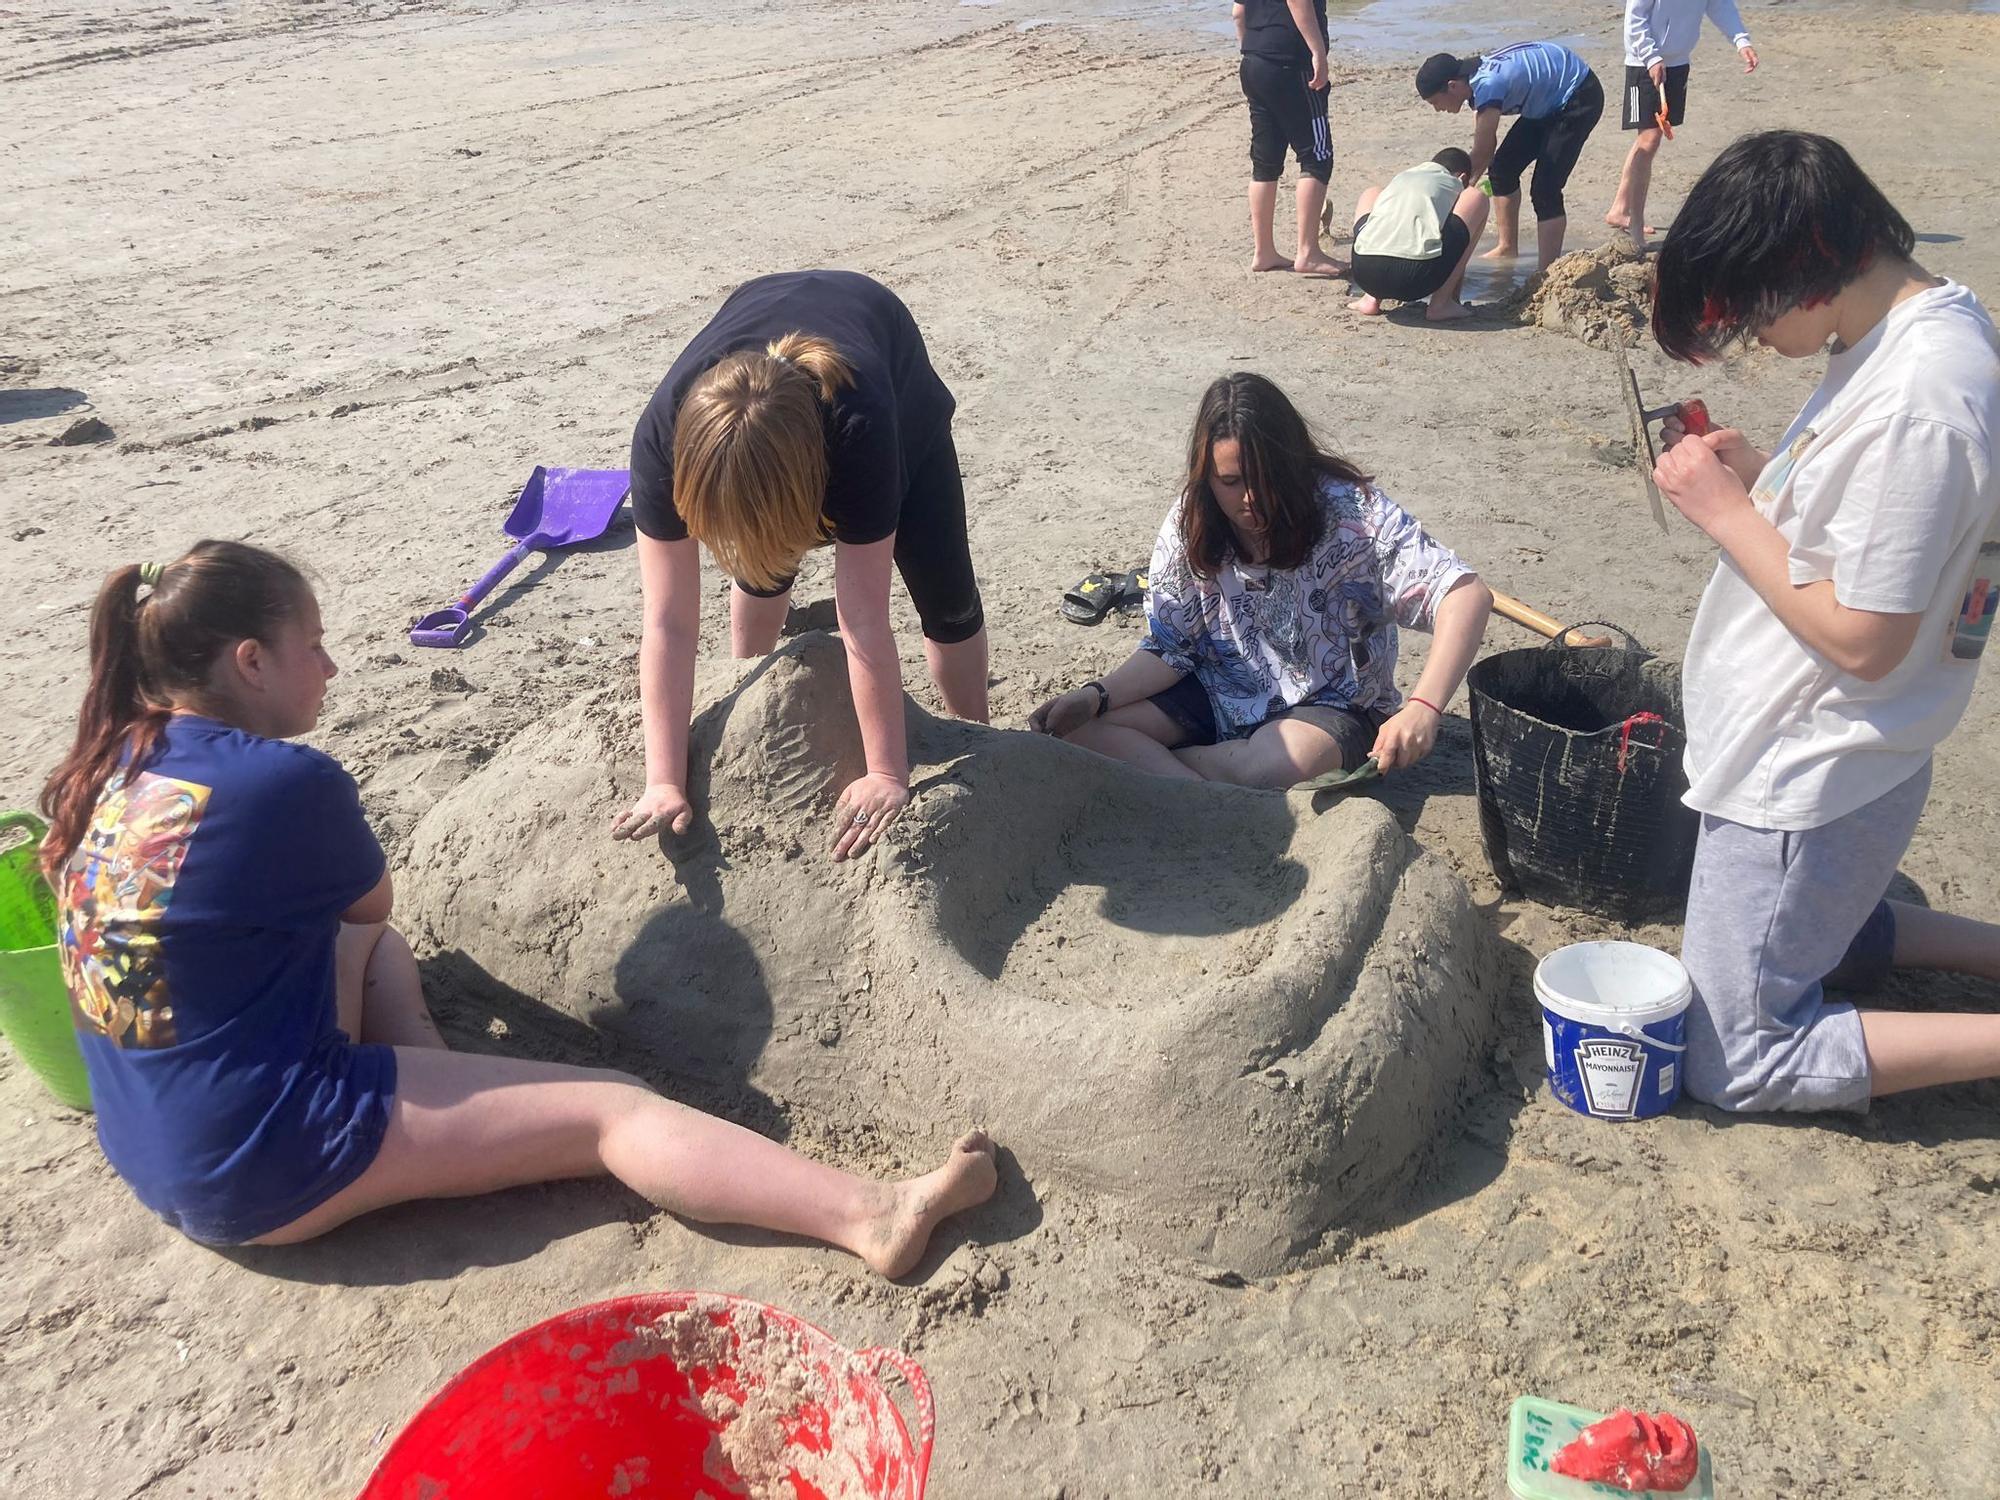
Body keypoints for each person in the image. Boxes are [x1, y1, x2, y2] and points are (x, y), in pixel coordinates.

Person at [41, 542, 998, 1263]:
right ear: (250, 662)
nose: (329, 669)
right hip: (259, 1161)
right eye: (314, 646)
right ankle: (872, 1215)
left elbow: (351, 935)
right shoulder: (284, 783)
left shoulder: (103, 760)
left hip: (147, 1139)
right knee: (613, 1111)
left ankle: (436, 1101)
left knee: (380, 954)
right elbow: (368, 905)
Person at [1649, 131, 2000, 1112]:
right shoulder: (1913, 328)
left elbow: (1865, 639)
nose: (1751, 340)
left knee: (1734, 1060)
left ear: (1801, 272)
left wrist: (1720, 513)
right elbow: (1881, 539)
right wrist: (1765, 482)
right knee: (1813, 927)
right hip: (1829, 755)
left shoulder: (1919, 401)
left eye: (1743, 316)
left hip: (1809, 767)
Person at [611, 271, 987, 862]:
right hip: (767, 373)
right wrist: (663, 780)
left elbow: (862, 617)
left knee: (946, 598)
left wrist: (886, 771)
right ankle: (752, 676)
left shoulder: (861, 433)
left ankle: (979, 732)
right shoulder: (662, 442)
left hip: (888, 369)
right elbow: (667, 624)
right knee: (761, 577)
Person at [1028, 373, 1492, 787]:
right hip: (1221, 685)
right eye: (1230, 482)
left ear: (1292, 463)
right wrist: (1096, 695)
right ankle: (1199, 790)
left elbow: (1467, 595)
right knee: (1080, 729)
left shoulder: (1354, 517)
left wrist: (1424, 707)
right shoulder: (1191, 520)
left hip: (1331, 704)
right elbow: (1172, 647)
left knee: (1268, 767)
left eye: (1263, 478)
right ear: (1206, 476)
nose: (1250, 498)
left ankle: (1167, 778)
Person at [1417, 43, 1604, 271]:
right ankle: (1507, 247)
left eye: (1435, 102)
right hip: (1546, 98)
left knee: (1545, 189)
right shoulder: (1473, 77)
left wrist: (1456, 197)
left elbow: (1482, 152)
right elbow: (1486, 147)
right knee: (1501, 170)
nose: (1437, 109)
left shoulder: (1487, 84)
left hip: (1579, 95)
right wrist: (1465, 185)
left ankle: (1547, 271)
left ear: (1452, 86)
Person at [1604, 0, 1760, 251]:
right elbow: (1635, 16)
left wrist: (1741, 41)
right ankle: (1635, 225)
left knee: (1650, 139)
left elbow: (1720, 6)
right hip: (1644, 61)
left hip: (1677, 62)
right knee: (1649, 139)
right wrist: (1651, 57)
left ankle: (1619, 209)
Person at [1233, 0, 1346, 277]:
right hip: (1290, 63)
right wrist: (1318, 52)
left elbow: (1238, 13)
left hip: (1254, 61)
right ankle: (1308, 252)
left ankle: (1264, 252)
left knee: (1265, 161)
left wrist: (1256, 51)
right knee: (1317, 157)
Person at [1346, 147, 1491, 322]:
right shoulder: (1453, 182)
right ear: (1462, 177)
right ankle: (1441, 303)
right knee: (1476, 198)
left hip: (1364, 274)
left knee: (1372, 193)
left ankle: (1370, 299)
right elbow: (1456, 239)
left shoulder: (1403, 177)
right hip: (1415, 279)